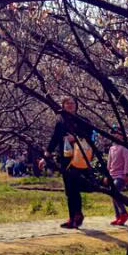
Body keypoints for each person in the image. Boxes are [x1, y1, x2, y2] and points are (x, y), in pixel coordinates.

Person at [45, 97, 92, 228]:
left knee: (74, 186)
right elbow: (55, 137)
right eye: (67, 103)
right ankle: (74, 216)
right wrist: (47, 152)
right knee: (69, 189)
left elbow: (90, 135)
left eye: (72, 103)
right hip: (65, 157)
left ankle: (76, 216)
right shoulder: (60, 120)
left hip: (78, 157)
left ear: (76, 105)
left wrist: (76, 137)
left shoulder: (83, 120)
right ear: (63, 105)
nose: (70, 105)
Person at [107, 127, 128, 225]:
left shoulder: (125, 148)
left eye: (118, 133)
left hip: (121, 175)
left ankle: (124, 213)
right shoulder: (111, 148)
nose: (116, 135)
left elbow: (127, 162)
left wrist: (126, 175)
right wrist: (107, 175)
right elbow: (109, 163)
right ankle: (118, 217)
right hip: (112, 175)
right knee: (113, 195)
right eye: (114, 133)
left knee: (115, 192)